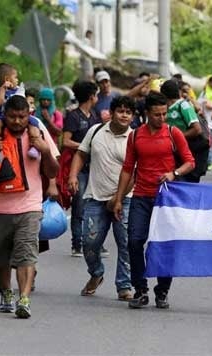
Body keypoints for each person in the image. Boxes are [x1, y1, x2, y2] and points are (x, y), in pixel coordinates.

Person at [0, 95, 60, 319]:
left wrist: (46, 151)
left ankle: (24, 299)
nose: (18, 121)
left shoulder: (38, 133)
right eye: (12, 117)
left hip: (29, 206)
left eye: (22, 117)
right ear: (5, 115)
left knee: (27, 255)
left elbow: (52, 171)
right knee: (0, 258)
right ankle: (7, 293)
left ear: (28, 116)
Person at [112, 92, 195, 309]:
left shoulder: (173, 133)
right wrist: (119, 199)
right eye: (157, 114)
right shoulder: (135, 136)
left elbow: (189, 162)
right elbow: (127, 169)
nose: (162, 118)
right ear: (147, 113)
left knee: (164, 245)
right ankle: (140, 289)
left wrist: (173, 174)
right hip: (141, 196)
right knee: (134, 241)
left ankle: (162, 291)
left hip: (166, 199)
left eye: (164, 113)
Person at [68, 95, 135, 301]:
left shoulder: (134, 138)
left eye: (128, 112)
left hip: (125, 199)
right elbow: (80, 153)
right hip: (95, 196)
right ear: (112, 113)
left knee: (125, 243)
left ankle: (124, 286)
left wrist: (117, 198)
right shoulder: (95, 131)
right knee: (89, 243)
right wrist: (73, 176)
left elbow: (134, 173)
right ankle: (96, 273)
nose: (124, 115)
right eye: (120, 111)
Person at [61, 80, 100, 257]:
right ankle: (77, 243)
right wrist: (85, 146)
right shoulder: (73, 116)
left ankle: (92, 240)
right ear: (91, 96)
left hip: (94, 168)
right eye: (96, 94)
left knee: (94, 205)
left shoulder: (94, 115)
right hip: (78, 167)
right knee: (79, 205)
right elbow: (66, 141)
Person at [0, 63, 41, 163]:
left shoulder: (18, 90)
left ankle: (35, 146)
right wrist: (3, 88)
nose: (17, 80)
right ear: (7, 79)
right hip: (2, 118)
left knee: (33, 123)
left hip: (19, 118)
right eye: (15, 77)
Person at [160, 79, 206, 182]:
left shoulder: (183, 106)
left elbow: (197, 129)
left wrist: (178, 136)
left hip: (186, 151)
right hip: (173, 152)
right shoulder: (167, 108)